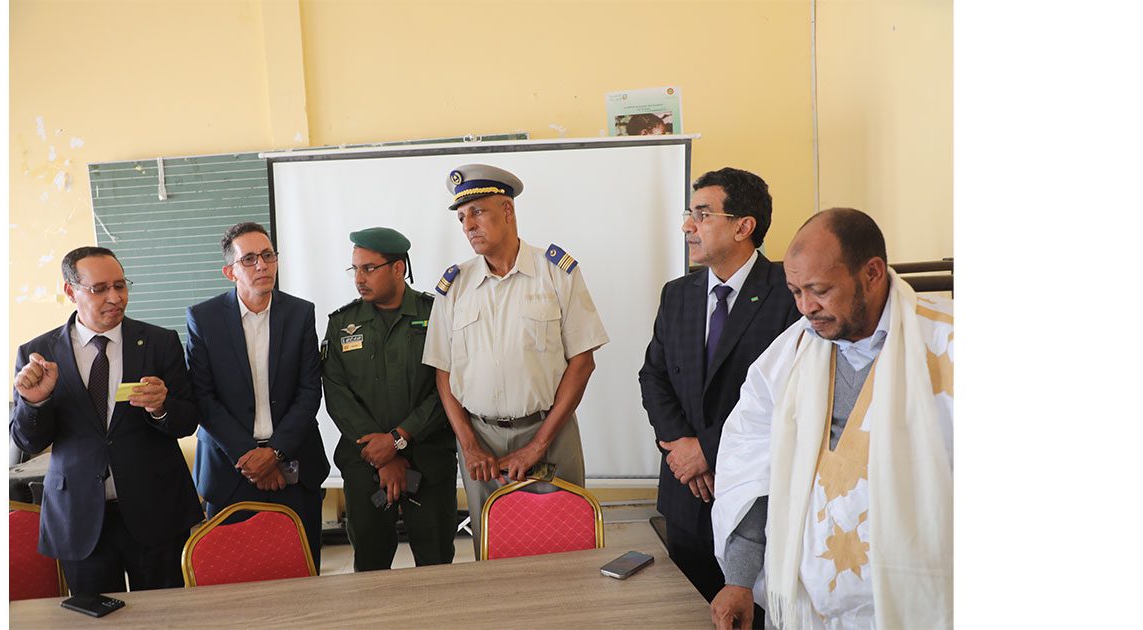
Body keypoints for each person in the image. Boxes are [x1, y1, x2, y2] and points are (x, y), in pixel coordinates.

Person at [710, 209, 953, 630]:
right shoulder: (789, 354)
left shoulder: (947, 346)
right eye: (795, 291)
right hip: (809, 610)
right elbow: (751, 469)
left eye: (819, 290)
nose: (806, 307)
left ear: (872, 273)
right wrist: (739, 577)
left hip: (917, 606)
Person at [422, 163, 610, 555]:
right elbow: (443, 373)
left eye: (477, 212)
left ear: (507, 210)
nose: (468, 225)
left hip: (550, 433)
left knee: (562, 545)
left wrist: (538, 444)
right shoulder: (454, 286)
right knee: (494, 550)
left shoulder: (555, 272)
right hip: (481, 443)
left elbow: (583, 362)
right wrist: (469, 445)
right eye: (462, 217)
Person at [637, 168, 800, 603]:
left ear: (743, 226)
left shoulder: (789, 295)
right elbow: (653, 376)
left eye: (703, 215)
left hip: (755, 497)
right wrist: (680, 447)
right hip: (685, 494)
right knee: (689, 610)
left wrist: (706, 451)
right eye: (689, 214)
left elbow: (790, 398)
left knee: (754, 612)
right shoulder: (677, 294)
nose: (688, 227)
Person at [9, 246, 204, 595]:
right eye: (99, 289)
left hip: (156, 510)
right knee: (95, 614)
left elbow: (187, 421)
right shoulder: (38, 353)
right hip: (79, 516)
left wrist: (162, 407)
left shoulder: (159, 342)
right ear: (70, 291)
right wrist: (35, 403)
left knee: (166, 613)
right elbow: (28, 442)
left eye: (120, 285)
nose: (115, 297)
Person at [185, 221, 328, 570]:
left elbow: (310, 391)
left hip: (294, 467)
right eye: (249, 259)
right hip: (230, 471)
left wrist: (275, 453)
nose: (262, 265)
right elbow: (203, 397)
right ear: (230, 272)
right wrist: (249, 456)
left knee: (301, 575)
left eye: (268, 256)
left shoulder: (300, 313)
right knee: (236, 577)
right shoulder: (204, 319)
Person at [322, 227, 458, 571]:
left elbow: (448, 387)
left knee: (436, 566)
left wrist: (398, 439)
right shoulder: (342, 324)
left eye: (369, 268)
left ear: (398, 268)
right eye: (355, 269)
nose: (359, 279)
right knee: (370, 567)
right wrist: (382, 456)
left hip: (428, 459)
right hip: (365, 462)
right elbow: (337, 394)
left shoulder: (436, 314)